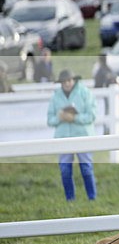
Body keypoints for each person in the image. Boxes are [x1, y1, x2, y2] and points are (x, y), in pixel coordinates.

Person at [47, 69, 98, 201]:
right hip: (63, 137)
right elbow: (50, 120)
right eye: (64, 82)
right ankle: (70, 199)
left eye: (69, 80)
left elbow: (91, 116)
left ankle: (92, 198)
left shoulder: (85, 93)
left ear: (74, 80)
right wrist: (61, 118)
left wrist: (74, 118)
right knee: (65, 170)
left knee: (86, 168)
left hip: (83, 136)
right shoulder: (55, 96)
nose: (67, 84)